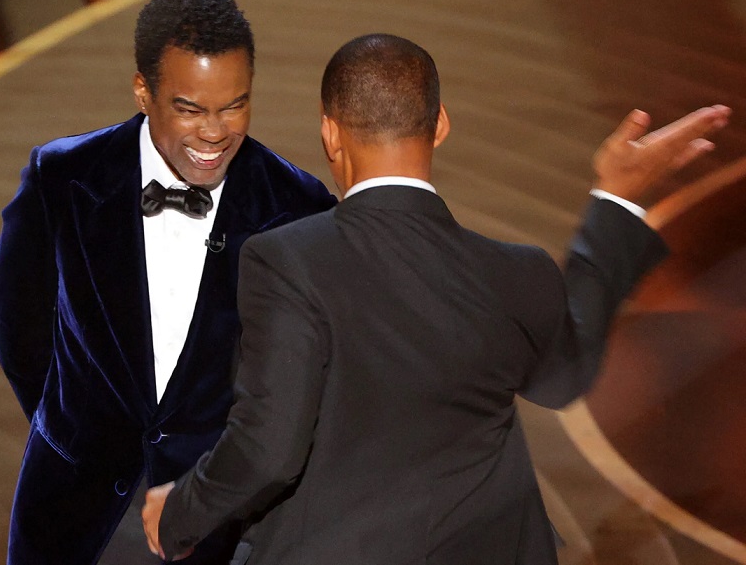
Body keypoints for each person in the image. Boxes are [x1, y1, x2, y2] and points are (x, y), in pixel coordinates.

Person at [140, 34, 731, 564]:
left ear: (330, 134)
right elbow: (564, 374)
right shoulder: (516, 272)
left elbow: (269, 450)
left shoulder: (286, 261)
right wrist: (616, 199)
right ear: (440, 124)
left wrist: (180, 513)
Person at [0, 0, 336, 565]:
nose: (214, 132)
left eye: (234, 106)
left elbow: (304, 387)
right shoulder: (63, 178)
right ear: (143, 92)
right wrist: (79, 431)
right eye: (190, 109)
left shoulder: (298, 208)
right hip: (75, 515)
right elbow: (17, 323)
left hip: (217, 530)